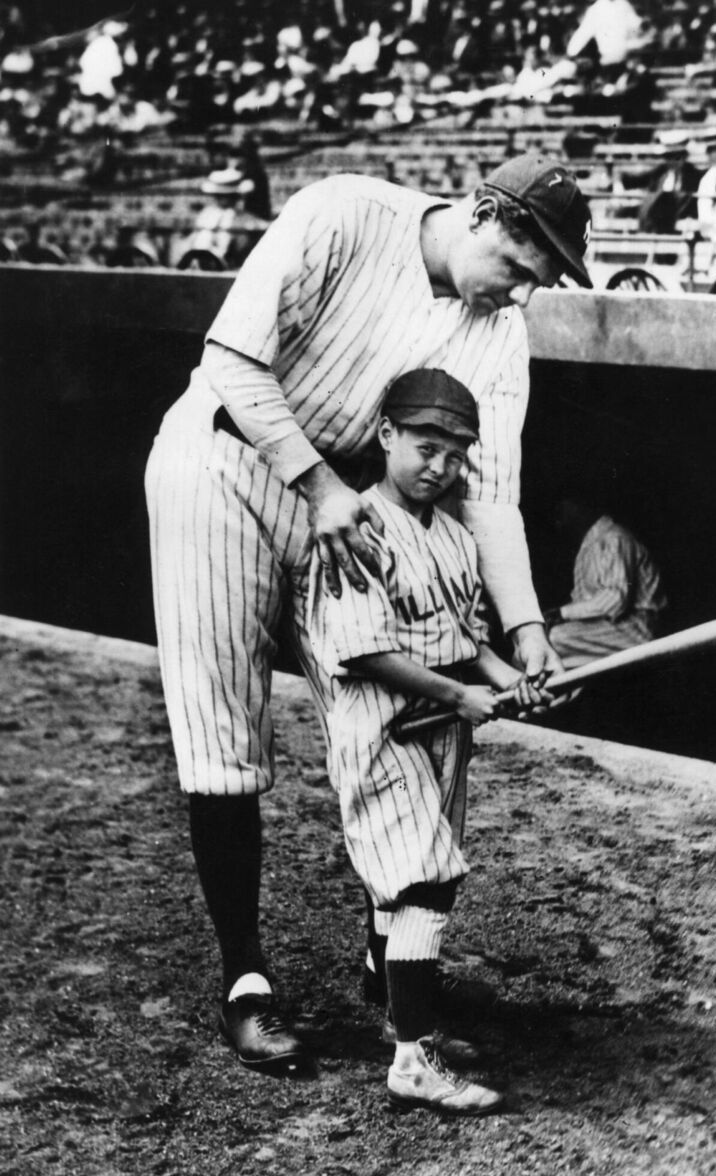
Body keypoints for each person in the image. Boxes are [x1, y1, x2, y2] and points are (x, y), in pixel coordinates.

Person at [144, 152, 591, 1074]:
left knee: (394, 713)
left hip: (345, 499)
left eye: (536, 285)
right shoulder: (344, 213)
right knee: (222, 735)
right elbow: (228, 356)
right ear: (480, 211)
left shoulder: (498, 331)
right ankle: (246, 982)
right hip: (222, 463)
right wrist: (311, 482)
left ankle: (390, 963)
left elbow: (492, 498)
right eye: (516, 268)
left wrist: (529, 636)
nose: (517, 295)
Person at [307, 369, 548, 1115]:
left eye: (454, 453)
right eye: (425, 445)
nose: (439, 465)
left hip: (442, 731)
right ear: (386, 436)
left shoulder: (451, 534)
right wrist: (462, 694)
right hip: (382, 723)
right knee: (423, 878)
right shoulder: (355, 525)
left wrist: (513, 676)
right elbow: (363, 651)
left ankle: (404, 1017)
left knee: (408, 874)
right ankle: (414, 1057)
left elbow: (467, 637)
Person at [543, 497, 667, 669]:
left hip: (636, 629)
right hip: (611, 628)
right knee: (541, 642)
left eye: (561, 511)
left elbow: (614, 602)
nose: (559, 522)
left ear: (579, 506)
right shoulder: (588, 547)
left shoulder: (614, 537)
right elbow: (582, 604)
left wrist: (561, 613)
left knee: (555, 639)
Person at [620, 128, 702, 234]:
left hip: (681, 226)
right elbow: (636, 181)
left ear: (684, 156)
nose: (672, 161)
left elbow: (690, 205)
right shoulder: (660, 173)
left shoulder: (693, 176)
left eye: (676, 157)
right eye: (668, 157)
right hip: (657, 225)